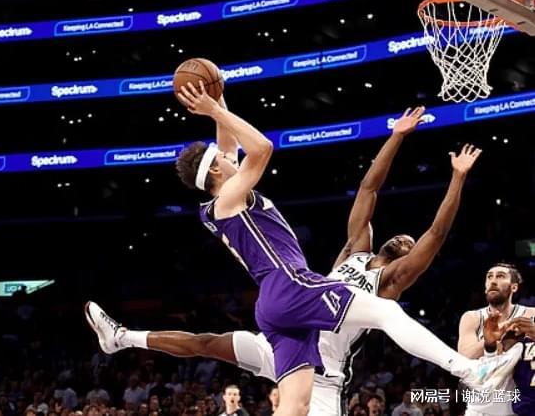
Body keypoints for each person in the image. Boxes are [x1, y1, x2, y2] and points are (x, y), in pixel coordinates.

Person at [86, 83, 518, 416]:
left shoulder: (221, 199)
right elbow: (262, 148)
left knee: (289, 405)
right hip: (290, 285)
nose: (232, 157)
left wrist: (219, 99)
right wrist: (216, 110)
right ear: (217, 171)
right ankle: (470, 370)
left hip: (284, 314)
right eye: (225, 159)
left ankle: (123, 338)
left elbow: (227, 147)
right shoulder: (232, 196)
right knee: (386, 313)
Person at [458, 263, 534, 416]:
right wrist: (490, 340)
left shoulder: (530, 314)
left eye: (500, 276)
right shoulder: (473, 317)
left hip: (519, 406)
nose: (493, 281)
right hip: (481, 407)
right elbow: (464, 358)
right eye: (489, 277)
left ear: (514, 287)